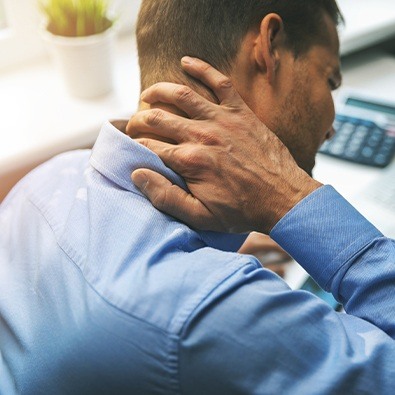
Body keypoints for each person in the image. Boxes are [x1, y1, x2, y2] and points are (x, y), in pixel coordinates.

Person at [0, 1, 394, 394]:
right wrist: (290, 198)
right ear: (268, 49)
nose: (332, 129)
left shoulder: (44, 181)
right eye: (330, 80)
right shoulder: (210, 311)